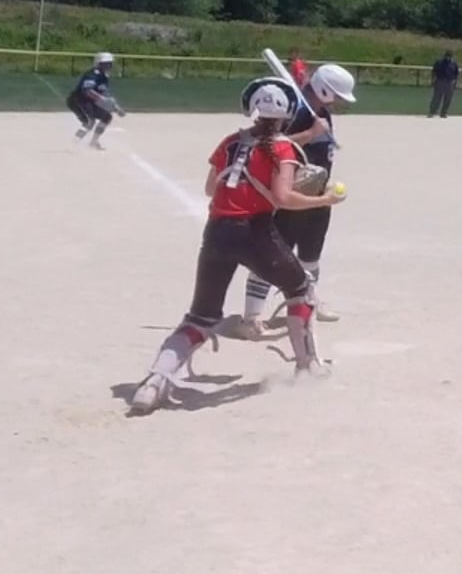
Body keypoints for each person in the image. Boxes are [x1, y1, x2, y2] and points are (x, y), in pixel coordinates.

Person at [125, 80, 347, 415]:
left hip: (216, 233)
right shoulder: (284, 149)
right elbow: (284, 198)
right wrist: (325, 199)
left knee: (200, 317)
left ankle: (154, 381)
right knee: (301, 290)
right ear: (287, 114)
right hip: (256, 232)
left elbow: (210, 188)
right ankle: (307, 366)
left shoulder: (230, 142)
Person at [224, 65, 357, 337]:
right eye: (337, 95)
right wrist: (310, 134)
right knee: (271, 258)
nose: (340, 102)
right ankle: (250, 318)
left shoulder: (320, 112)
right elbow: (267, 145)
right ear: (324, 90)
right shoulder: (294, 111)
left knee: (311, 256)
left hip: (318, 196)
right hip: (290, 198)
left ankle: (308, 303)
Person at [67, 50, 124, 150]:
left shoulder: (104, 76)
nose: (108, 66)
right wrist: (101, 99)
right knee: (89, 122)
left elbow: (105, 93)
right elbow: (87, 91)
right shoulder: (92, 74)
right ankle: (73, 144)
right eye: (105, 63)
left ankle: (93, 142)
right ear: (99, 64)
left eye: (109, 63)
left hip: (89, 101)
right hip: (78, 100)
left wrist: (116, 108)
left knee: (107, 117)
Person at [428, 50, 459, 118]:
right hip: (440, 81)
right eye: (447, 56)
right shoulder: (439, 62)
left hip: (450, 82)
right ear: (445, 56)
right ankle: (432, 112)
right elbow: (434, 71)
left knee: (448, 99)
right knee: (436, 98)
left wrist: (455, 83)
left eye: (450, 56)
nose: (448, 58)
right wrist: (433, 80)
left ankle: (444, 113)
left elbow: (456, 74)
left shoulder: (454, 64)